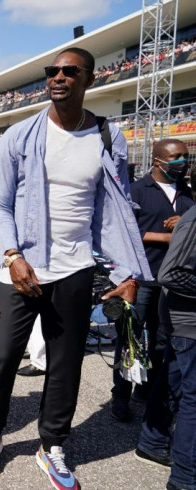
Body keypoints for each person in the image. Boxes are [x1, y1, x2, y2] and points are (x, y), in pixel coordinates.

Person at [0, 47, 151, 489]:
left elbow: (114, 211)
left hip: (74, 269)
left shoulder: (109, 137)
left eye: (70, 71)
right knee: (3, 356)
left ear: (89, 78)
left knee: (66, 362)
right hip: (21, 269)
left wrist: (125, 271)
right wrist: (12, 257)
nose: (58, 77)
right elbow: (1, 204)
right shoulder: (19, 136)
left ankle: (51, 444)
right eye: (52, 71)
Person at [111, 138, 194, 422]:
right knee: (129, 340)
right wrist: (171, 236)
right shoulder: (136, 191)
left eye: (185, 157)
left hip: (173, 281)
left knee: (163, 343)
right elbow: (125, 232)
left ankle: (148, 391)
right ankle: (119, 396)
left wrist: (183, 224)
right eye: (176, 157)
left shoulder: (187, 193)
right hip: (140, 279)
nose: (182, 162)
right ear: (158, 160)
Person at [136, 203, 196, 490]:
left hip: (183, 320)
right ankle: (186, 477)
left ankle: (152, 442)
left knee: (172, 377)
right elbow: (170, 274)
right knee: (193, 398)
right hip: (188, 321)